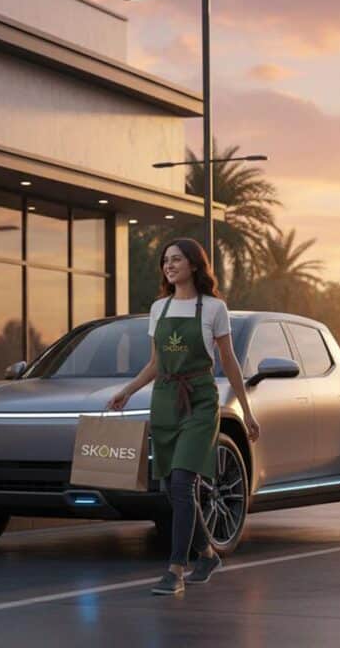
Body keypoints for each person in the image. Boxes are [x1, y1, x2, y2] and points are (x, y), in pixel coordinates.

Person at [107, 238, 259, 596]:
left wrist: (247, 412)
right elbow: (156, 364)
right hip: (165, 402)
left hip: (201, 401)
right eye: (165, 261)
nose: (169, 265)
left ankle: (175, 570)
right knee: (172, 490)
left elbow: (229, 362)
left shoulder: (213, 309)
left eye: (176, 259)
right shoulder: (158, 308)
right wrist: (127, 391)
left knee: (181, 482)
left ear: (194, 264)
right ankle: (205, 554)